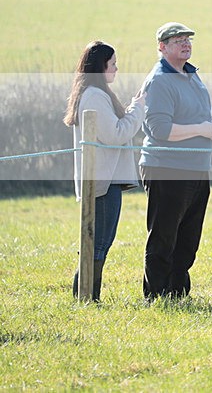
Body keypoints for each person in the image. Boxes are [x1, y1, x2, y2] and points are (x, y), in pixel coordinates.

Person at [139, 22, 212, 299]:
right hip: (167, 168)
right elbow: (160, 130)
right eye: (177, 40)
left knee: (189, 239)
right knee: (164, 236)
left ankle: (178, 293)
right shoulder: (159, 80)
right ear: (162, 47)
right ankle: (156, 295)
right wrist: (202, 129)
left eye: (187, 39)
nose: (185, 43)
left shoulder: (191, 75)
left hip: (197, 168)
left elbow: (195, 116)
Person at [64, 41, 146, 300]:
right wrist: (138, 108)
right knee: (98, 244)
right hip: (103, 181)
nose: (116, 68)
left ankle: (87, 295)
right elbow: (117, 134)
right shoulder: (96, 96)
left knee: (98, 242)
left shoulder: (95, 93)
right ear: (100, 67)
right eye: (112, 64)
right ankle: (87, 296)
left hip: (105, 179)